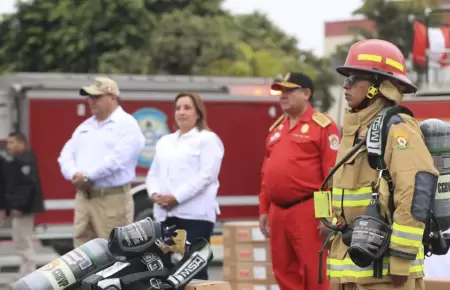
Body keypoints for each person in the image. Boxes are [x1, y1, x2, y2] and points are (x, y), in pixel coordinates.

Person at [326, 39, 439, 290]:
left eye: (354, 77)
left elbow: (414, 192)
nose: (346, 84)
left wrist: (401, 257)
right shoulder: (354, 130)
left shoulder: (398, 127)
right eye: (346, 77)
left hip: (386, 272)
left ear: (378, 86)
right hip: (352, 264)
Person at [258, 72, 341, 290]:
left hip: (308, 208)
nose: (283, 95)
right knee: (283, 272)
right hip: (278, 212)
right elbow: (266, 174)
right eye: (281, 91)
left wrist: (325, 215)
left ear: (306, 94)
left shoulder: (323, 126)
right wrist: (264, 209)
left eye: (289, 90)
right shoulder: (275, 129)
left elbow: (330, 175)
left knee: (315, 273)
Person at [57, 77, 145, 247]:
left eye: (96, 97)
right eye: (90, 98)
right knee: (81, 253)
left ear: (112, 97)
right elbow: (65, 155)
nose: (91, 101)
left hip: (112, 199)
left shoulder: (127, 125)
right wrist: (74, 174)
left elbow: (117, 159)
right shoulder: (85, 127)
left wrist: (87, 176)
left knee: (113, 252)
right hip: (84, 198)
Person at [146, 92, 224, 280]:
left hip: (195, 216)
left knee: (193, 270)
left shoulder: (208, 140)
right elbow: (153, 173)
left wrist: (176, 197)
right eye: (178, 108)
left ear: (198, 113)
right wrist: (155, 194)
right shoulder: (165, 141)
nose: (181, 112)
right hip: (166, 216)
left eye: (187, 108)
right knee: (167, 270)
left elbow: (206, 176)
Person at [1, 132, 45, 277]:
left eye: (12, 142)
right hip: (19, 209)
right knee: (20, 242)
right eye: (8, 143)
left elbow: (27, 187)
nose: (9, 146)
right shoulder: (16, 161)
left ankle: (30, 274)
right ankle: (25, 273)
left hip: (24, 210)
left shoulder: (25, 162)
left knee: (24, 242)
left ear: (21, 143)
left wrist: (19, 206)